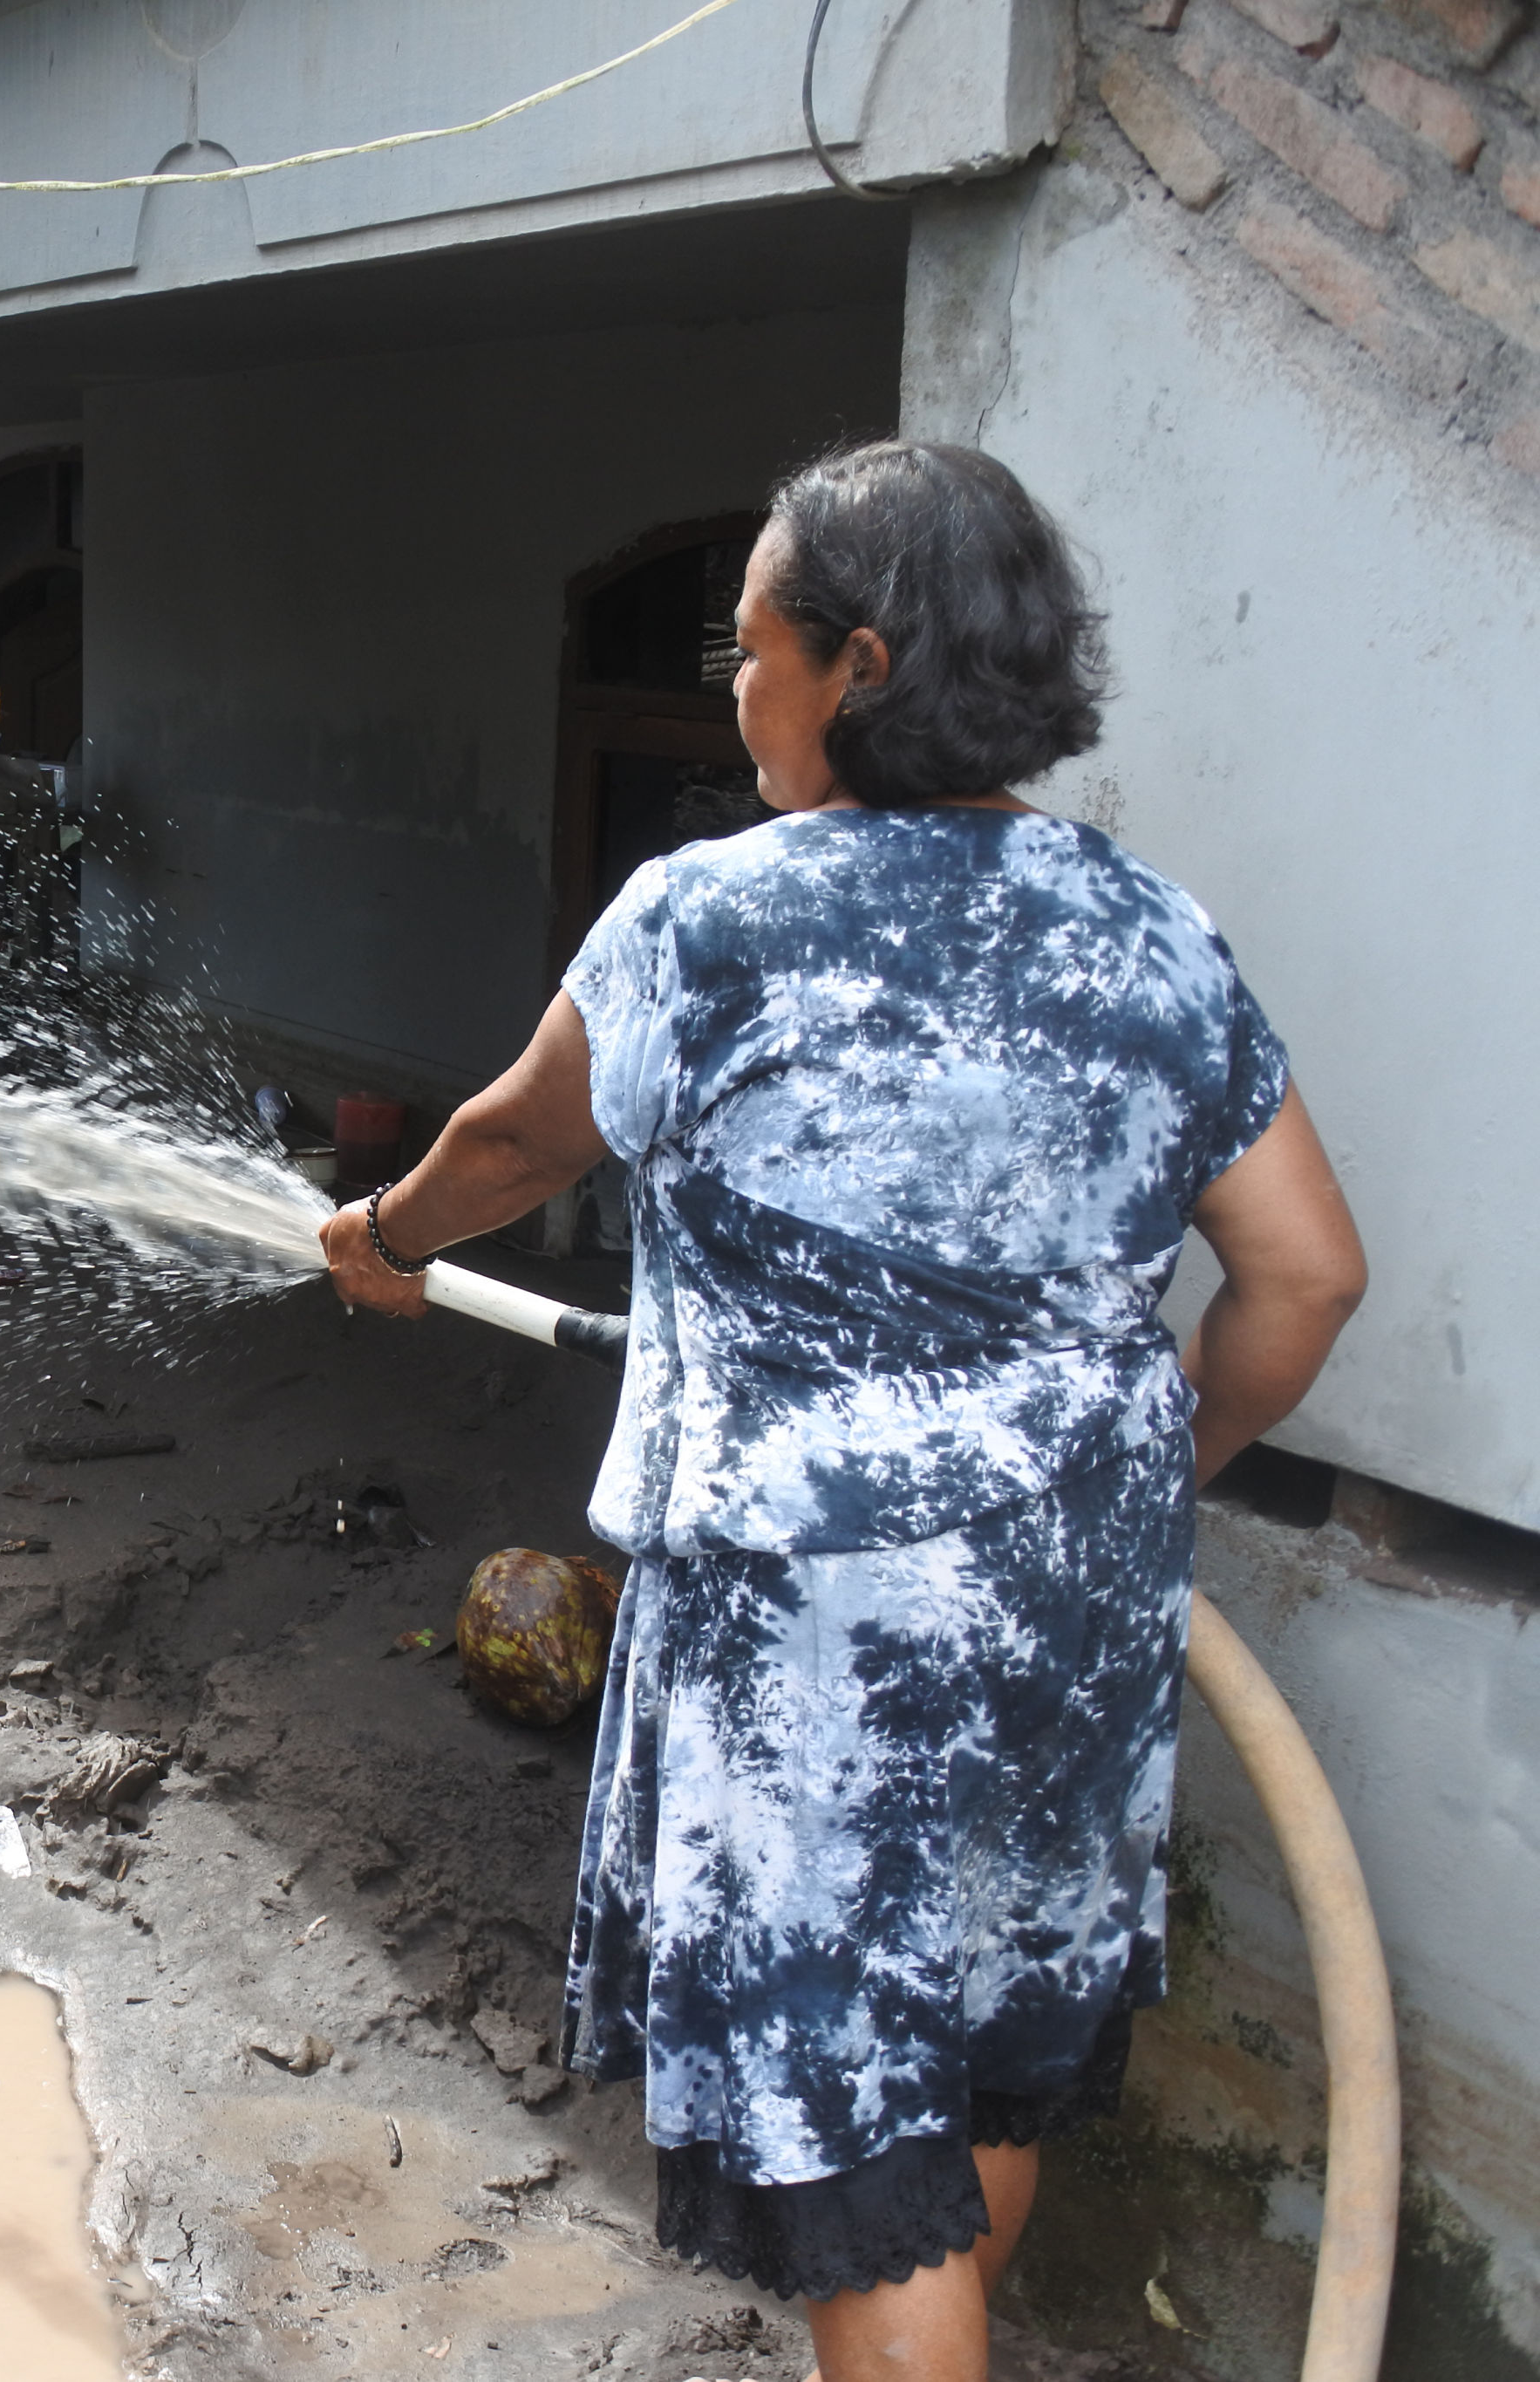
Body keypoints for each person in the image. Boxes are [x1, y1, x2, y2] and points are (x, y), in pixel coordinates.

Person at [320, 441, 1366, 2382]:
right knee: (978, 2055)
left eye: (745, 652)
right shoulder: (1143, 931)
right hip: (1072, 1608)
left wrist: (380, 1234)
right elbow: (1300, 1278)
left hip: (822, 1638)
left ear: (855, 664)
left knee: (855, 2146)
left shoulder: (704, 919)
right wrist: (1157, 1471)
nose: (731, 689)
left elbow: (504, 1141)